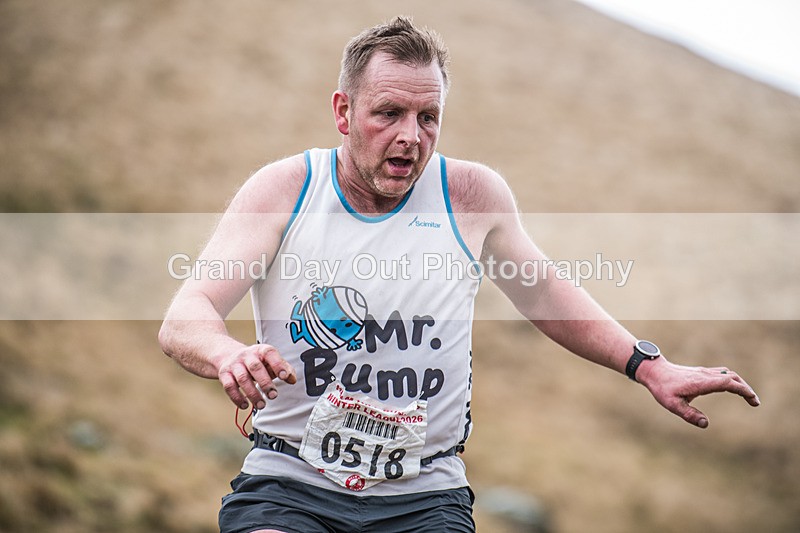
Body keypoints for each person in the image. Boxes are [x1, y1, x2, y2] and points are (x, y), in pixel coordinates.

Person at [158, 16, 760, 533]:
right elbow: (187, 315)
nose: (409, 137)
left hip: (425, 494)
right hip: (290, 480)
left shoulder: (470, 195)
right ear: (343, 111)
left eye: (428, 118)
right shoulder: (286, 189)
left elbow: (547, 294)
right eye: (388, 113)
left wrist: (649, 366)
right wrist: (225, 355)